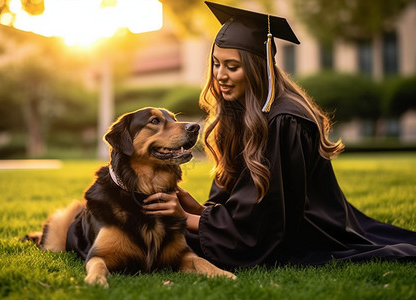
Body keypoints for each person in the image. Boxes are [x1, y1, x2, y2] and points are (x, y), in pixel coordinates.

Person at [143, 1, 416, 270]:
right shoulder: (240, 110)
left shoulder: (284, 120)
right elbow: (244, 204)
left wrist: (186, 218)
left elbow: (265, 221)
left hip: (300, 232)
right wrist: (196, 209)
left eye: (232, 66)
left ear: (256, 67)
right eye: (216, 64)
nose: (220, 76)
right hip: (259, 228)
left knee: (171, 241)